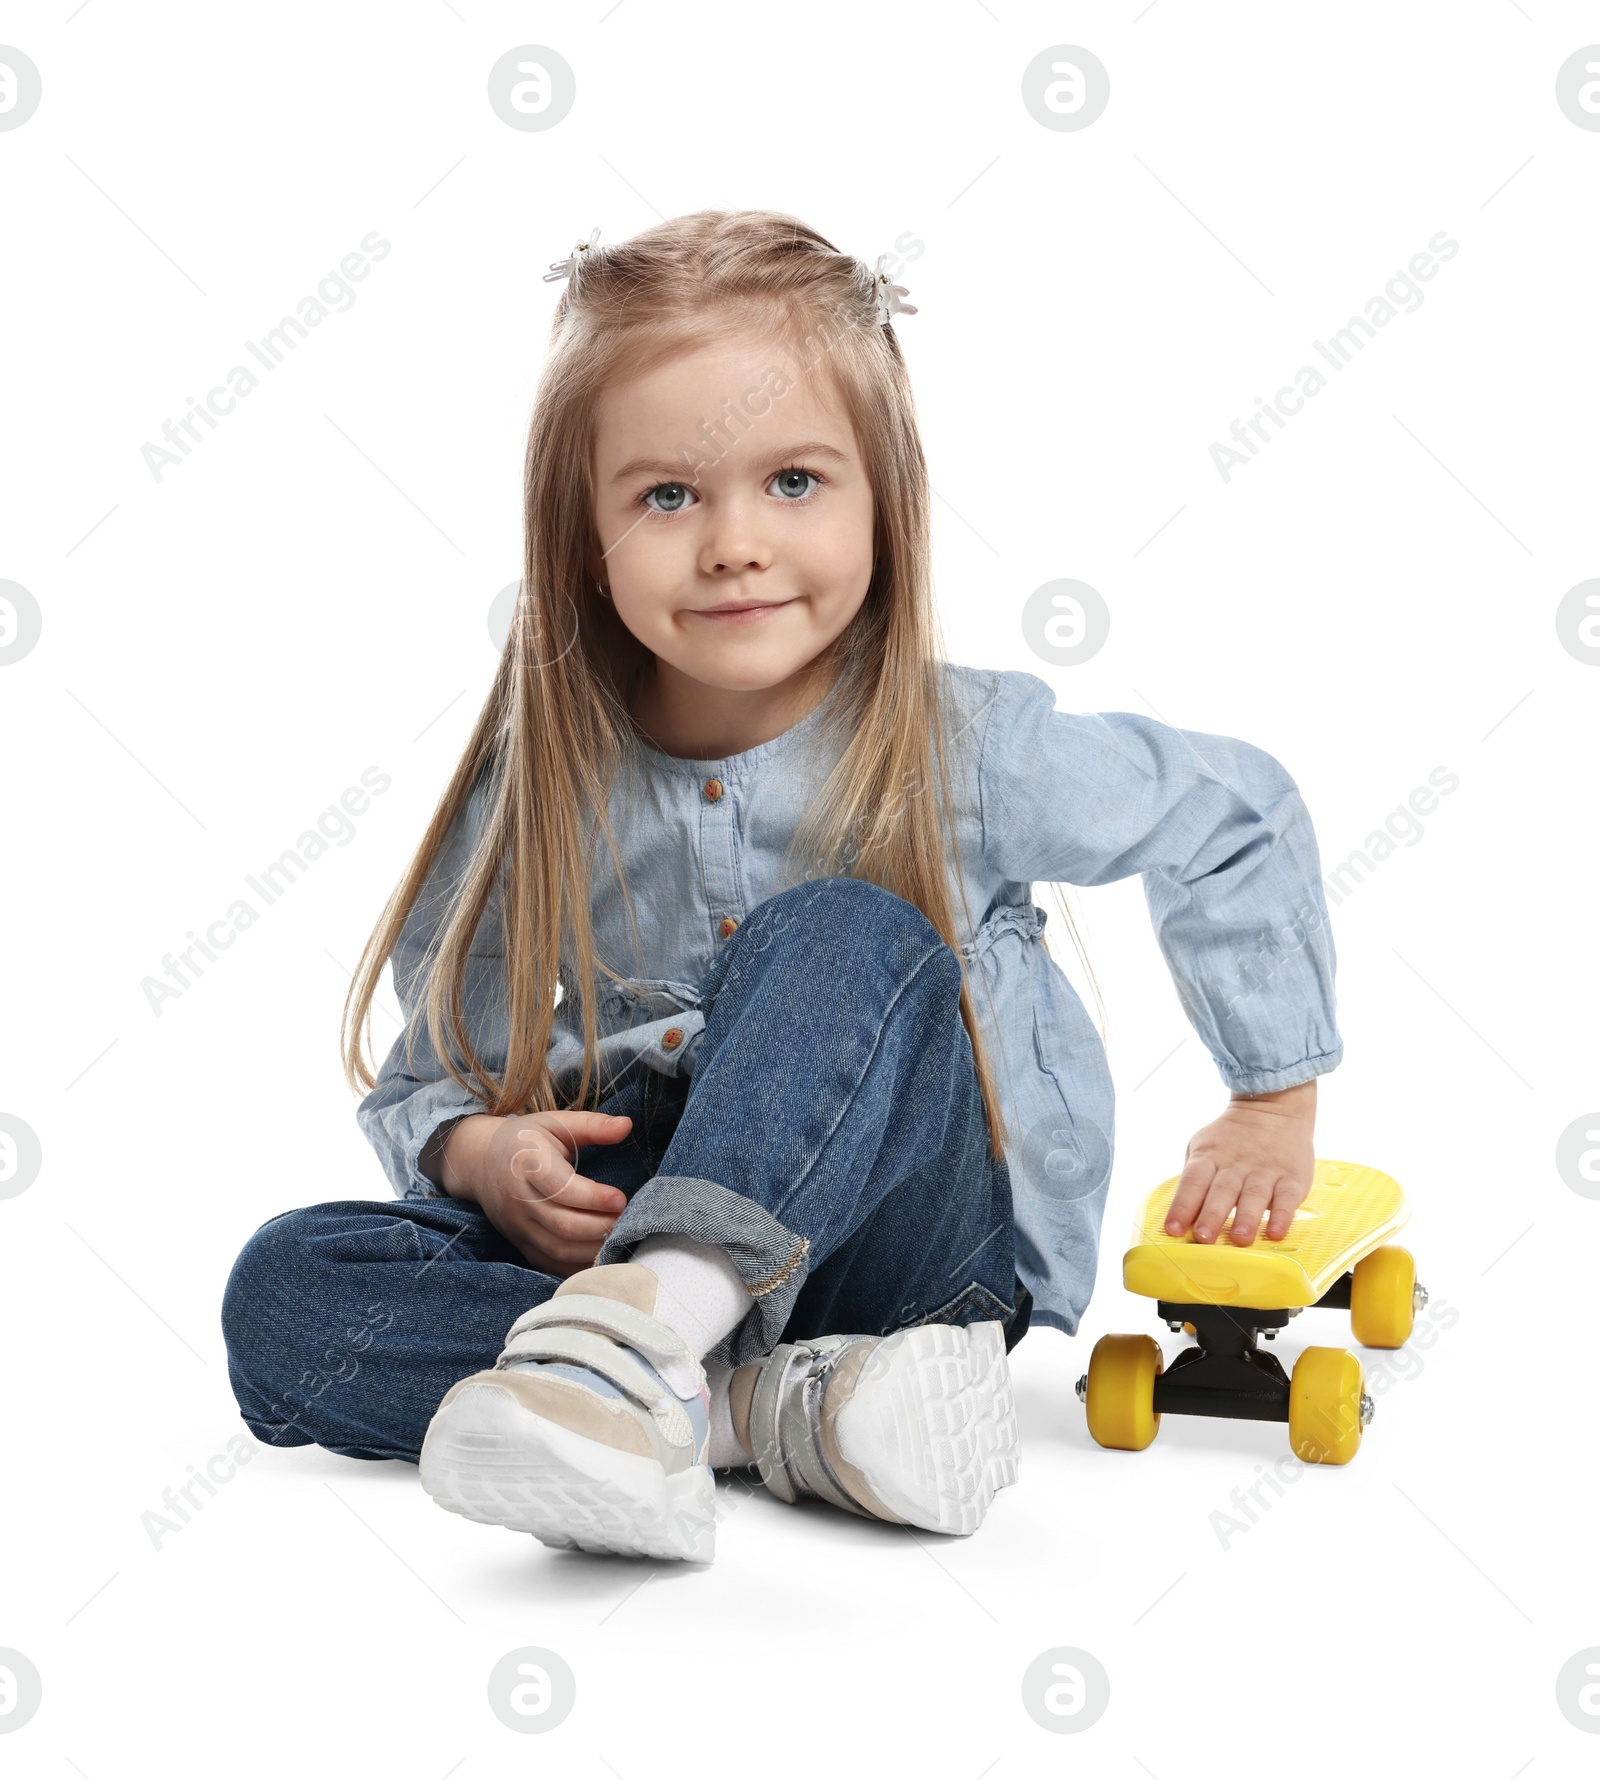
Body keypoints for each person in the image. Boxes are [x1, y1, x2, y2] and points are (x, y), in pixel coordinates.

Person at [221, 209, 1342, 1565]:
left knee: (845, 933)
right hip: (624, 1231)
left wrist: (1272, 1100)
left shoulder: (962, 748)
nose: (735, 542)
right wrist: (480, 1153)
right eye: (668, 496)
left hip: (911, 1259)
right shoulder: (549, 776)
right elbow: (442, 1058)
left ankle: (640, 1352)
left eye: (796, 482)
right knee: (283, 1297)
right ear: (585, 539)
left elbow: (1234, 813)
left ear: (887, 502)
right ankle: (764, 1413)